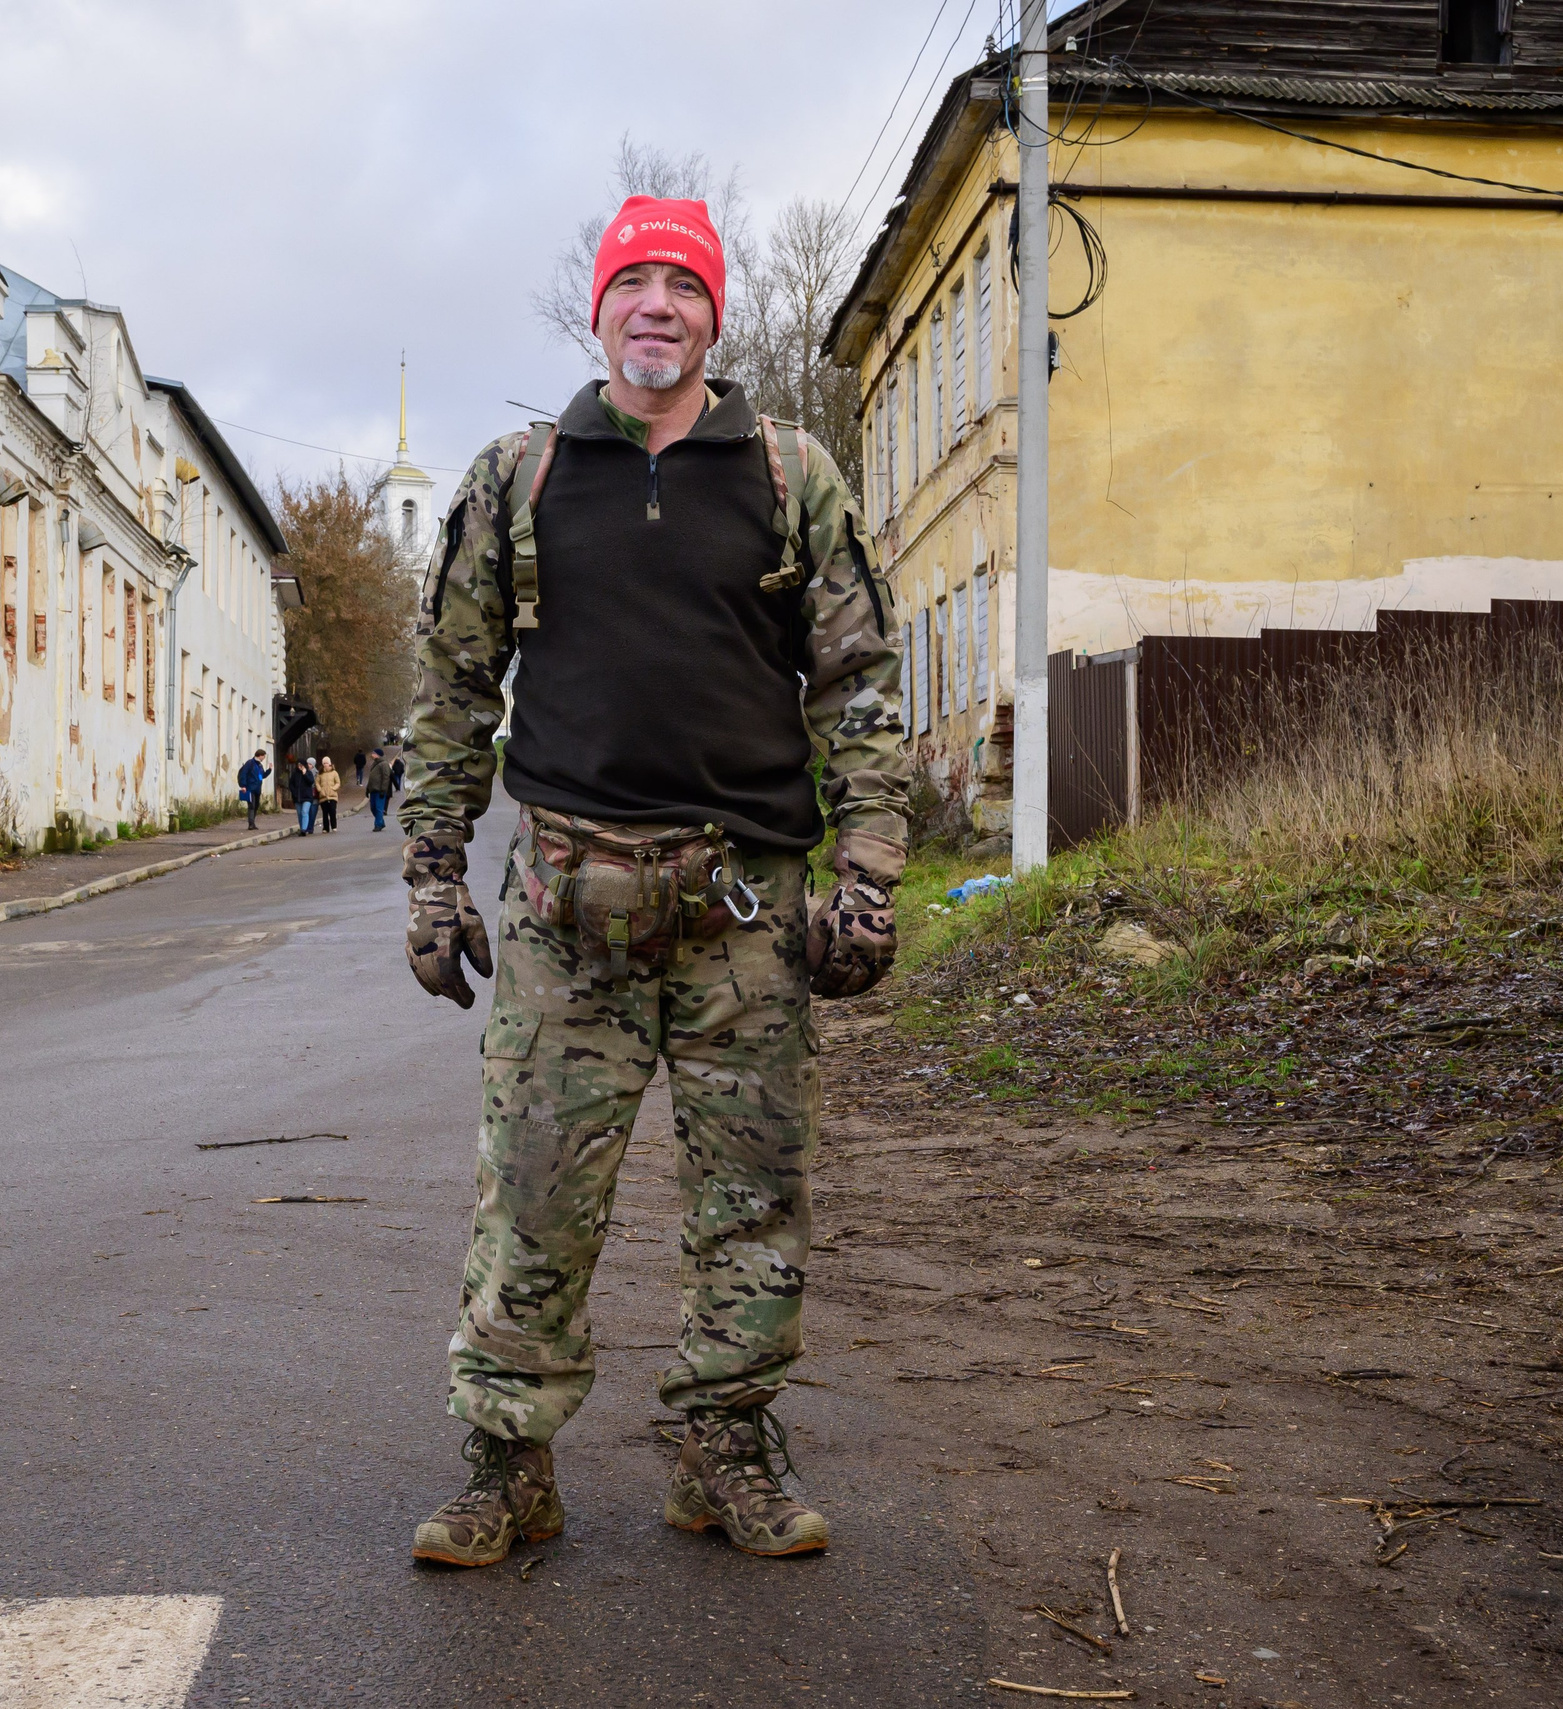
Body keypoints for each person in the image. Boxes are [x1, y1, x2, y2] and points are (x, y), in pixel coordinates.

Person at [397, 196, 911, 1569]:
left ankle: (724, 1449)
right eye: (636, 284)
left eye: (685, 287)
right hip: (566, 911)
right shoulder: (520, 474)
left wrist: (867, 873)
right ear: (599, 309)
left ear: (715, 317)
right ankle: (508, 1469)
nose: (658, 308)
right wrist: (433, 880)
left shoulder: (794, 474)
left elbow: (858, 685)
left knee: (752, 1198)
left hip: (745, 912)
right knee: (533, 1198)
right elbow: (450, 691)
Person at [237, 749, 269, 831]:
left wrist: (269, 770)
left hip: (257, 789)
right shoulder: (250, 763)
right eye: (264, 756)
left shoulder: (260, 765)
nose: (264, 758)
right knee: (251, 806)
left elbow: (262, 776)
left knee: (256, 805)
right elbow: (243, 774)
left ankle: (253, 822)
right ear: (260, 755)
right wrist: (243, 785)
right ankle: (251, 824)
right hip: (250, 788)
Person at [365, 745, 394, 832]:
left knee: (378, 808)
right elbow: (371, 778)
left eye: (374, 753)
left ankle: (377, 825)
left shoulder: (384, 764)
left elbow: (386, 777)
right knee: (373, 808)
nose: (372, 754)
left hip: (379, 790)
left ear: (378, 755)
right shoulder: (375, 764)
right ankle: (381, 822)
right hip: (373, 789)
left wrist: (383, 790)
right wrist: (367, 789)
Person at [290, 754, 317, 834]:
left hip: (307, 797)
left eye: (301, 765)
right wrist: (294, 792)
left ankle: (304, 829)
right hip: (297, 797)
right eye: (298, 765)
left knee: (304, 811)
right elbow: (291, 784)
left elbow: (311, 781)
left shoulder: (308, 773)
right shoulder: (295, 774)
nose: (299, 766)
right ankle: (302, 827)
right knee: (299, 813)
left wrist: (304, 774)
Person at [314, 755, 342, 832]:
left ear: (330, 763)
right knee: (325, 813)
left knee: (332, 811)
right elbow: (317, 782)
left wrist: (333, 789)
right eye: (324, 763)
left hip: (332, 796)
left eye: (326, 763)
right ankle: (325, 828)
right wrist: (320, 790)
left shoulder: (334, 773)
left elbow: (338, 782)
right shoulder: (320, 773)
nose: (325, 764)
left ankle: (334, 826)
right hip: (323, 796)